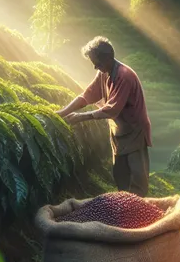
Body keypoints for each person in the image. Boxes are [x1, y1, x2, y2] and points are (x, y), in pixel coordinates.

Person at [57, 36, 153, 196]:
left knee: (137, 176)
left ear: (109, 58)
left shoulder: (124, 76)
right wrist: (62, 112)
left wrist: (81, 117)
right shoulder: (104, 73)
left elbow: (111, 109)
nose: (95, 67)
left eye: (98, 63)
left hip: (134, 131)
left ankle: (139, 211)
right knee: (120, 173)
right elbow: (87, 95)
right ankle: (125, 207)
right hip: (118, 131)